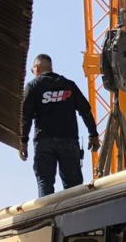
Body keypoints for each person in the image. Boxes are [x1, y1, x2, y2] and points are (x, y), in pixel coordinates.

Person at [19, 53, 100, 195]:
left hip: (44, 142)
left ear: (37, 68)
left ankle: (47, 216)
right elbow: (85, 110)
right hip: (68, 141)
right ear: (50, 67)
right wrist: (93, 134)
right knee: (73, 188)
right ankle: (75, 216)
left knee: (45, 182)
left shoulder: (33, 86)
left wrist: (22, 141)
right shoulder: (68, 85)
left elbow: (25, 117)